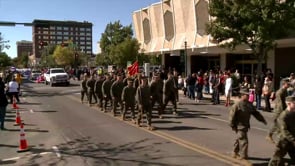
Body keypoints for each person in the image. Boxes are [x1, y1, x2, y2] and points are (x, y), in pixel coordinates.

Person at [229, 89, 267, 162]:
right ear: (242, 95)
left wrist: (262, 120)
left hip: (245, 125)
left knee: (240, 138)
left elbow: (255, 113)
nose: (248, 96)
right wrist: (232, 125)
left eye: (248, 95)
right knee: (244, 141)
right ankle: (244, 157)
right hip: (239, 126)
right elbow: (231, 116)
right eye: (246, 95)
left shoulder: (249, 104)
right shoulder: (237, 105)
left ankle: (234, 152)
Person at [268, 96, 295, 165]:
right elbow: (284, 131)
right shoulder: (283, 116)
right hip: (284, 142)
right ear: (289, 104)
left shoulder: (293, 113)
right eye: (294, 103)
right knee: (276, 160)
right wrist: (293, 140)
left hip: (291, 141)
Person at [266, 79, 290, 144]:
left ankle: (271, 135)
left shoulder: (285, 91)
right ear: (284, 84)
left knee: (278, 124)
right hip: (279, 111)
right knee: (278, 124)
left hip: (282, 110)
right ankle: (272, 136)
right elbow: (280, 104)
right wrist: (284, 111)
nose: (288, 85)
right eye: (287, 84)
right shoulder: (280, 92)